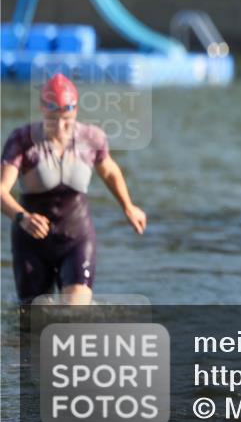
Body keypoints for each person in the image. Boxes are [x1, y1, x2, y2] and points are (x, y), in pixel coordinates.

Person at [0, 74, 147, 305]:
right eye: (52, 119)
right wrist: (22, 217)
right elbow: (1, 191)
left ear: (75, 111)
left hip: (76, 237)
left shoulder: (92, 138)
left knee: (75, 314)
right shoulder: (21, 140)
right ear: (41, 110)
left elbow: (109, 172)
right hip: (31, 241)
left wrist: (128, 206)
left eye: (66, 119)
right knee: (33, 322)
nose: (60, 126)